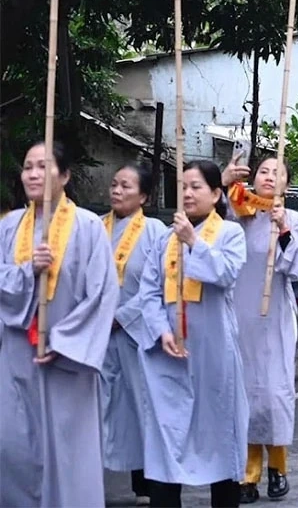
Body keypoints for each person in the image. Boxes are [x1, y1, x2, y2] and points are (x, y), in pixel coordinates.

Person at [0, 141, 119, 507]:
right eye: (27, 167)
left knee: (69, 455)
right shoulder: (8, 228)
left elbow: (101, 294)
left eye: (42, 166)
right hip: (18, 357)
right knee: (16, 447)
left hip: (67, 358)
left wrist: (63, 342)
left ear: (64, 175)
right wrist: (26, 272)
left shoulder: (88, 227)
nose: (33, 174)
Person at [134, 160, 249, 507]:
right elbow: (149, 292)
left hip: (213, 352)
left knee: (218, 437)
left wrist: (194, 242)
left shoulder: (230, 233)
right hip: (169, 355)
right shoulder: (165, 239)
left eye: (196, 186)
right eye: (183, 186)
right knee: (167, 438)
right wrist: (159, 330)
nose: (187, 193)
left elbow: (225, 273)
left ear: (216, 194)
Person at [223, 156, 298, 502]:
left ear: (286, 185)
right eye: (263, 171)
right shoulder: (236, 212)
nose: (269, 177)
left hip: (273, 316)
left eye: (277, 173)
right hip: (239, 315)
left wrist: (284, 231)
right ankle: (247, 474)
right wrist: (224, 181)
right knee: (244, 395)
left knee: (273, 395)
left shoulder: (294, 219)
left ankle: (278, 467)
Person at [102, 163, 168, 506]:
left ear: (143, 195)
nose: (116, 190)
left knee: (143, 404)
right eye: (114, 184)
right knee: (107, 406)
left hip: (137, 332)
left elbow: (156, 284)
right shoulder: (97, 228)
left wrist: (123, 316)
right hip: (99, 334)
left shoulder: (156, 231)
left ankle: (151, 481)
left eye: (126, 186)